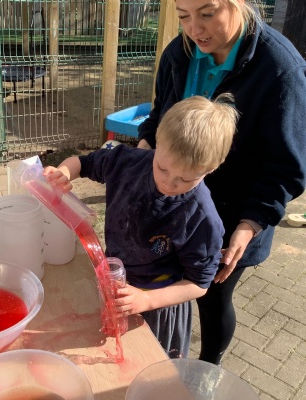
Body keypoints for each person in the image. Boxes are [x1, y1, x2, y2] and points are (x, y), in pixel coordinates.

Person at [137, 0, 306, 365]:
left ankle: (208, 371)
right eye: (183, 16)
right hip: (173, 204)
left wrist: (249, 225)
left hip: (233, 215)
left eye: (207, 13)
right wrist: (139, 162)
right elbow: (157, 119)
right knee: (168, 284)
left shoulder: (280, 70)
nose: (194, 29)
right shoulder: (179, 53)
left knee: (212, 297)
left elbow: (285, 168)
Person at [43, 94, 239, 358]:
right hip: (115, 284)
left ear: (212, 168)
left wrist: (146, 300)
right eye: (162, 168)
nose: (169, 183)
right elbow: (83, 162)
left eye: (185, 180)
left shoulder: (202, 218)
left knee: (149, 364)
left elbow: (199, 284)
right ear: (158, 141)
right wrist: (64, 173)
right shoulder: (127, 162)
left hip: (158, 303)